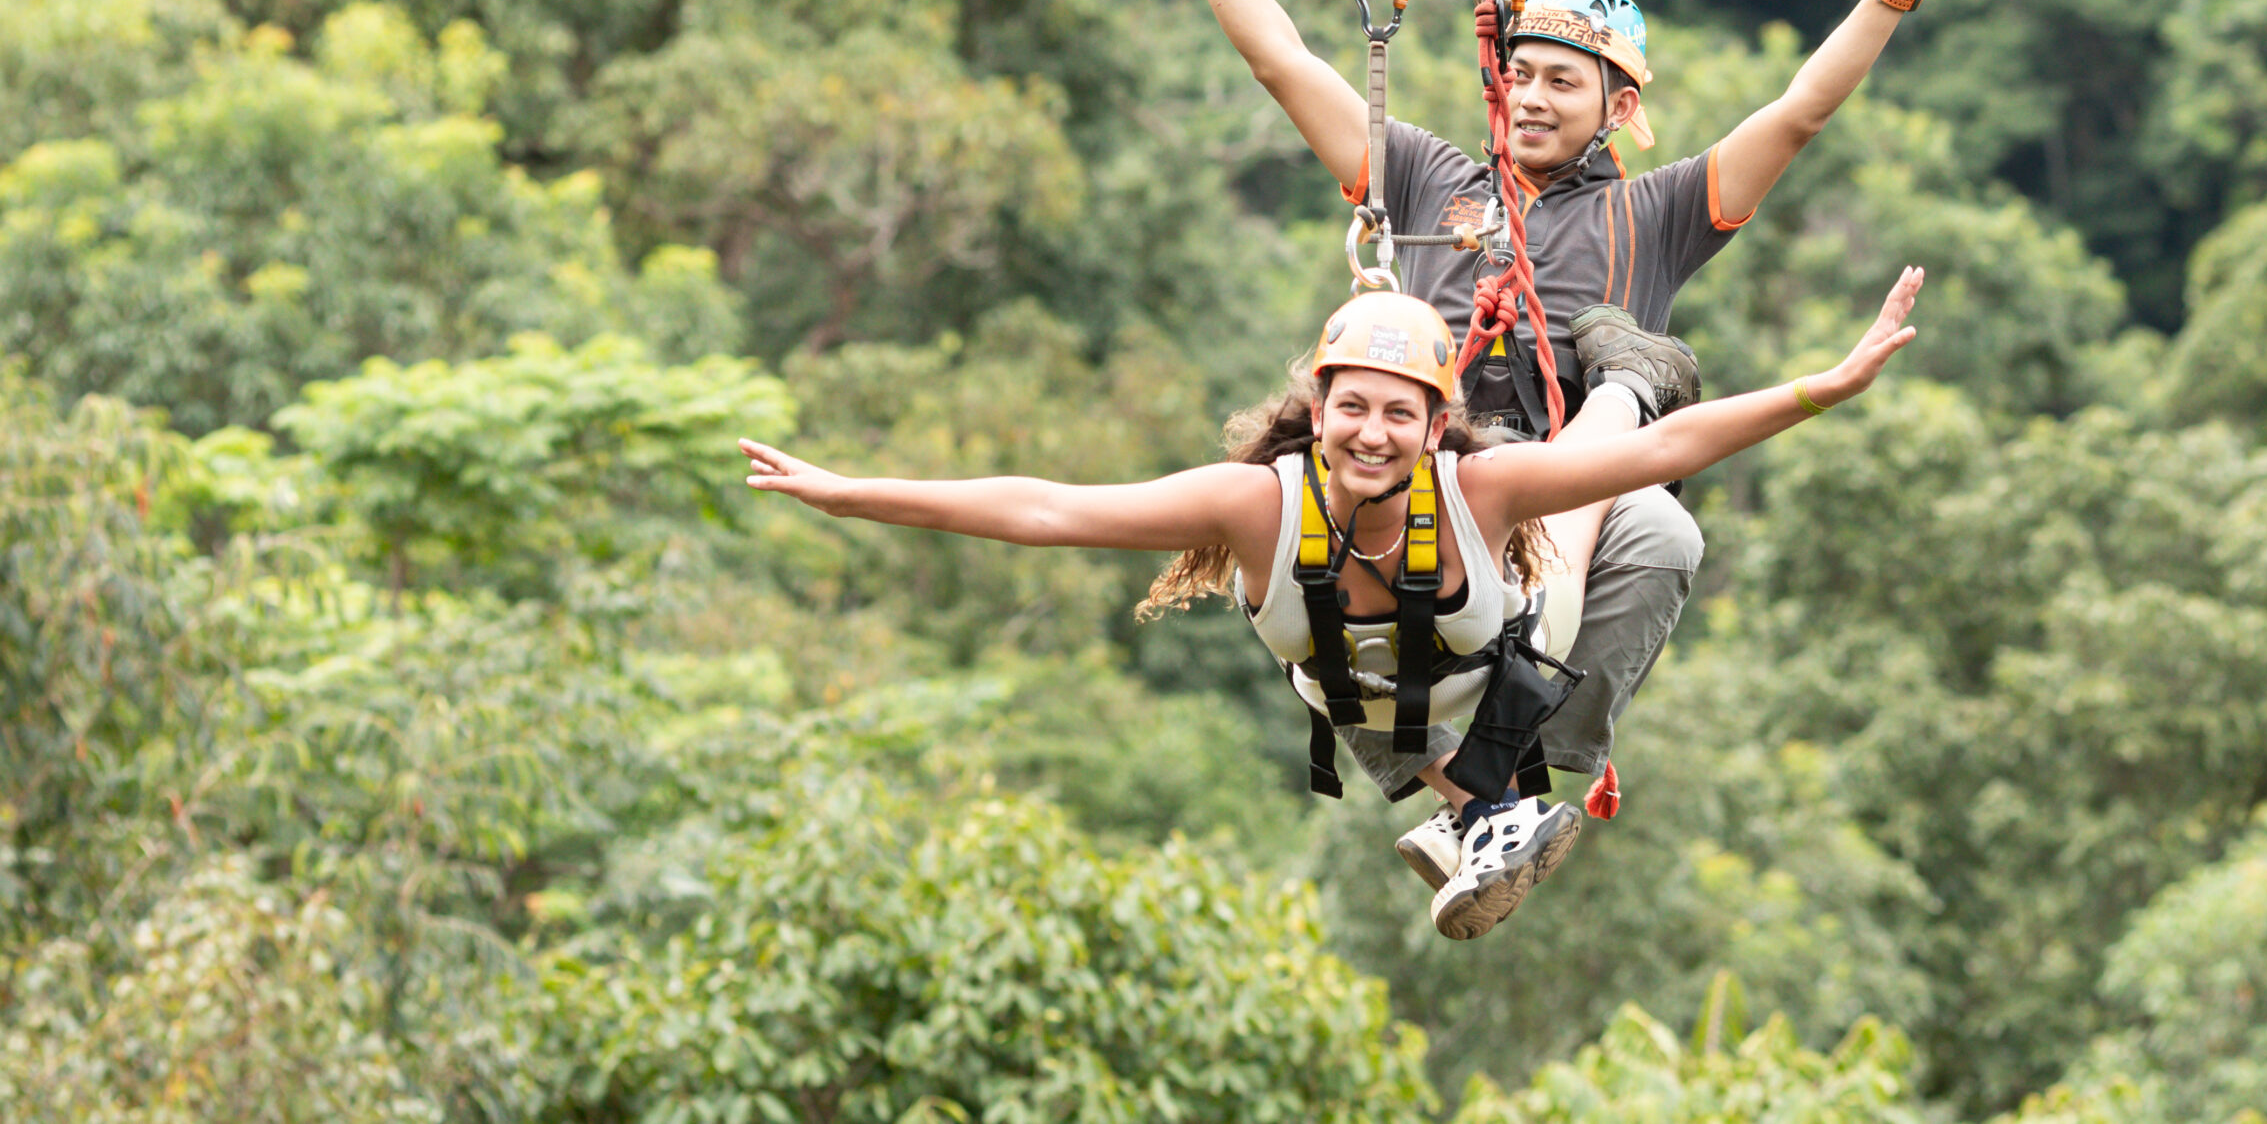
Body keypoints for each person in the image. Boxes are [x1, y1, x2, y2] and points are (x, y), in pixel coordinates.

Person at [1135, 0, 1967, 871]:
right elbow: (1281, 63)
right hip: (1429, 474)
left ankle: (1496, 781)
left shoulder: (1656, 216)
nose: (1530, 97)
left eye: (1561, 83)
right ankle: (1470, 789)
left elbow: (1796, 116)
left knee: (1663, 535)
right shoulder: (1432, 180)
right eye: (1519, 77)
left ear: (1618, 107)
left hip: (1558, 496)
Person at [741, 267, 1925, 940]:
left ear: (1428, 423)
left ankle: (1629, 375)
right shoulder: (1255, 504)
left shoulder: (1473, 481)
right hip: (1388, 729)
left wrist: (1826, 385)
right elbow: (1049, 508)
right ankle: (1476, 810)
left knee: (1612, 476)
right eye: (1352, 408)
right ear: (1319, 406)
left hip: (1511, 657)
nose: (1372, 433)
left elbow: (1697, 441)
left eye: (1399, 415)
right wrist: (854, 498)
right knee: (1507, 595)